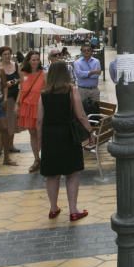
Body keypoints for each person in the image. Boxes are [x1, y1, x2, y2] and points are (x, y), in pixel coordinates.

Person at [36, 61, 94, 222]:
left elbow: (39, 121)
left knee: (52, 175)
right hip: (68, 135)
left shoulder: (43, 94)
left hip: (50, 136)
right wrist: (90, 131)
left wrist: (40, 142)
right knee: (72, 173)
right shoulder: (71, 90)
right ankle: (73, 210)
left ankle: (53, 208)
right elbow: (81, 115)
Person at [16, 52, 45, 174]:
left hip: (39, 107)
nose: (35, 62)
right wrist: (17, 104)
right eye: (33, 59)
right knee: (33, 134)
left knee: (41, 134)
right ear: (28, 60)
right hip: (27, 106)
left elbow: (47, 90)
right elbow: (21, 90)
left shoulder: (44, 74)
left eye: (37, 59)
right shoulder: (23, 73)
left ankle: (45, 158)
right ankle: (36, 159)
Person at [0, 46, 21, 162]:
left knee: (12, 122)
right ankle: (1, 145)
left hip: (14, 97)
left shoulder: (15, 65)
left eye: (9, 54)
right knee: (1, 123)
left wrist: (13, 82)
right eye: (5, 54)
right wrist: (5, 84)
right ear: (1, 55)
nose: (7, 56)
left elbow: (21, 78)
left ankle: (11, 145)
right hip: (2, 98)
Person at [72, 44, 101, 111]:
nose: (86, 52)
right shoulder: (77, 62)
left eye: (88, 50)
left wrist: (85, 73)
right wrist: (92, 72)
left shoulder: (96, 61)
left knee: (96, 109)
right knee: (82, 110)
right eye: (84, 51)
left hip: (94, 90)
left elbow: (97, 75)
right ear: (81, 52)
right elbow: (79, 74)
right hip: (82, 90)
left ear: (91, 52)